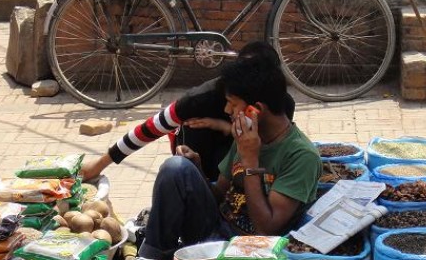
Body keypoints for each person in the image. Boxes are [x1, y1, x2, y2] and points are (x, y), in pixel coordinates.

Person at [137, 52, 321, 260]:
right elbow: (219, 194)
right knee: (176, 168)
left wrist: (250, 160)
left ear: (256, 110)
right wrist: (197, 170)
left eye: (233, 105)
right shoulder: (246, 135)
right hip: (214, 230)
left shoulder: (301, 156)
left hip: (250, 252)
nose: (227, 111)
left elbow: (267, 229)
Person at [81, 42, 296, 183]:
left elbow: (273, 153)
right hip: (204, 160)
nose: (226, 109)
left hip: (248, 170)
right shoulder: (200, 99)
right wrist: (101, 163)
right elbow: (151, 128)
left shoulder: (280, 106)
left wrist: (227, 128)